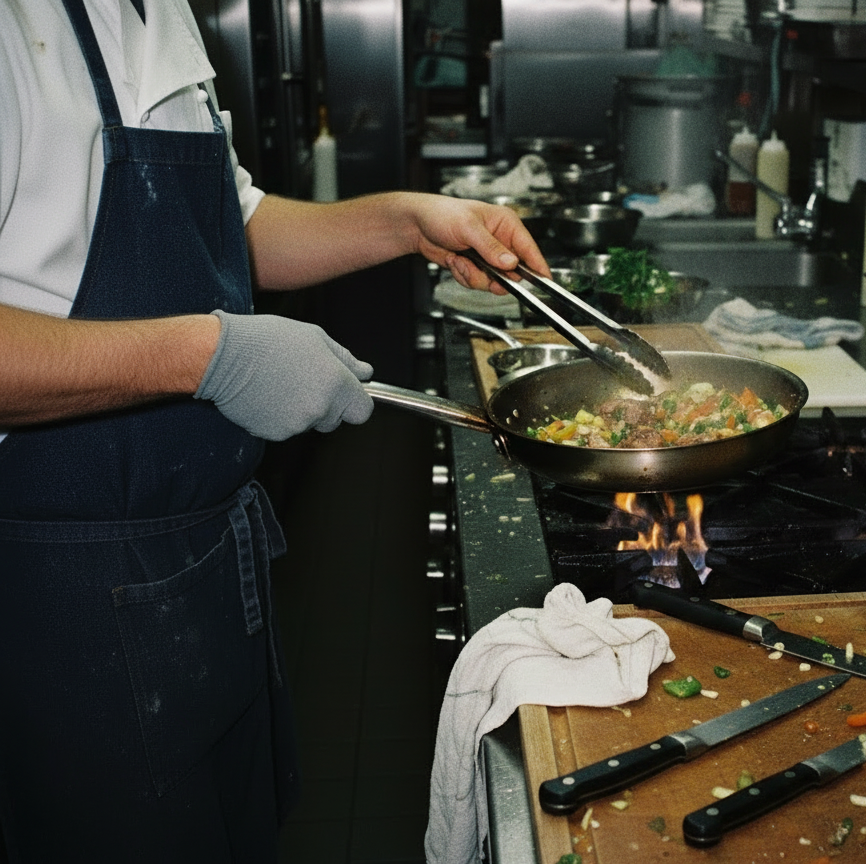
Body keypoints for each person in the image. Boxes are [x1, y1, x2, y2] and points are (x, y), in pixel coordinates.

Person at [0, 1, 549, 861]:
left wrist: (410, 221)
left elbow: (230, 224)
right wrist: (209, 356)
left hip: (207, 566)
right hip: (58, 599)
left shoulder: (163, 13)